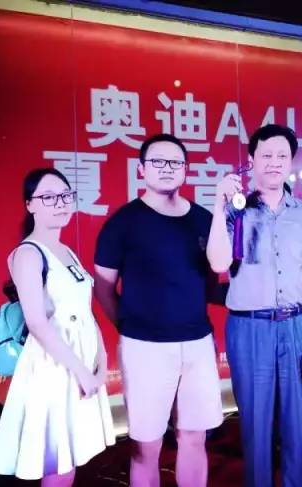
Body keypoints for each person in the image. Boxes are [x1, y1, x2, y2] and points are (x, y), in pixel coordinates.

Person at [207, 124, 302, 487]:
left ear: (291, 161)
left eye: (282, 155)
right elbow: (218, 262)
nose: (274, 162)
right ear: (252, 160)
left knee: (299, 423)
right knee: (256, 427)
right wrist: (218, 206)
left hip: (298, 327)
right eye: (266, 155)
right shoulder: (236, 211)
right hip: (249, 329)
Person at [94, 134, 223, 487]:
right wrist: (130, 327)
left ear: (186, 169)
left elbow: (211, 279)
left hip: (197, 343)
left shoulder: (203, 219)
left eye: (175, 162)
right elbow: (103, 287)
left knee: (194, 436)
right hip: (144, 348)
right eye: (158, 162)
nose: (167, 169)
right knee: (146, 446)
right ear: (141, 169)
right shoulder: (123, 223)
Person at [0, 168, 115, 485]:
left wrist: (101, 360)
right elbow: (37, 323)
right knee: (57, 460)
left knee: (69, 459)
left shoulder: (66, 250)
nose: (60, 203)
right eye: (48, 197)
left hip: (78, 364)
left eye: (64, 195)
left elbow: (84, 312)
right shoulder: (28, 254)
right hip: (54, 368)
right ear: (30, 204)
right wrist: (82, 371)